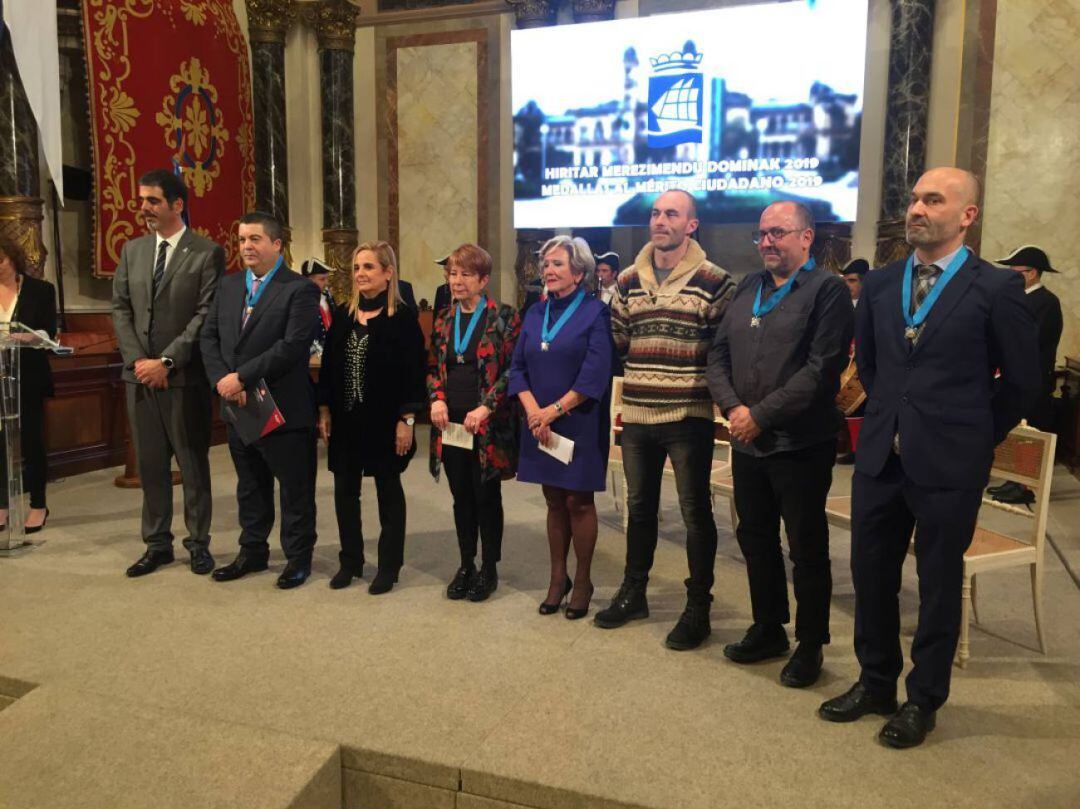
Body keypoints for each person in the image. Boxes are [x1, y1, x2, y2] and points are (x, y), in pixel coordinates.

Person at [818, 168, 1039, 748]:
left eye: (933, 200)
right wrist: (891, 417)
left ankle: (923, 700)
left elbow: (1022, 382)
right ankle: (875, 682)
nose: (916, 208)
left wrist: (973, 432)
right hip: (880, 459)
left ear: (967, 214)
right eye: (914, 199)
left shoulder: (996, 288)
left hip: (949, 462)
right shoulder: (884, 283)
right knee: (871, 576)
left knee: (938, 584)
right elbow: (869, 366)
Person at [707, 202, 854, 687]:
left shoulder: (827, 291)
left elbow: (821, 370)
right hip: (747, 441)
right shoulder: (748, 286)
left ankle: (810, 645)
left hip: (799, 444)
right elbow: (718, 354)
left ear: (807, 237)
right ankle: (768, 627)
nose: (767, 242)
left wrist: (759, 416)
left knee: (806, 548)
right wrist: (733, 410)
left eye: (778, 233)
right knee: (755, 538)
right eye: (762, 234)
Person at [596, 189, 735, 650]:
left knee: (695, 514)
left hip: (687, 413)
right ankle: (634, 591)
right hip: (637, 412)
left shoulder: (716, 281)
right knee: (640, 509)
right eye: (655, 213)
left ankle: (699, 608)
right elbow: (617, 339)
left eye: (671, 213)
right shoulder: (629, 280)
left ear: (691, 224)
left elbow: (723, 352)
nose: (660, 220)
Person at [201, 211, 320, 589]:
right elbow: (209, 338)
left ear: (277, 244)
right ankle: (252, 551)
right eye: (241, 240)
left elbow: (293, 347)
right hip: (238, 405)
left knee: (294, 489)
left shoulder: (300, 288)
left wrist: (242, 376)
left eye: (255, 239)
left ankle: (298, 559)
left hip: (283, 406)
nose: (246, 247)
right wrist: (224, 380)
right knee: (250, 486)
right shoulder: (229, 286)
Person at [112, 169, 223, 577]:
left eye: (153, 201)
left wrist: (167, 361)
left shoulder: (206, 252)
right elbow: (121, 308)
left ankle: (198, 543)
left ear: (177, 204)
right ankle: (157, 544)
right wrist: (140, 361)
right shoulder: (132, 251)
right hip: (139, 378)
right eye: (142, 200)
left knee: (192, 465)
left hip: (183, 379)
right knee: (151, 464)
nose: (144, 208)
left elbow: (204, 314)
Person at [508, 236, 613, 619]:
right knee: (553, 499)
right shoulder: (535, 313)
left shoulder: (595, 312)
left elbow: (595, 374)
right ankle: (558, 578)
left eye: (556, 264)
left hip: (578, 420)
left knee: (578, 501)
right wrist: (534, 411)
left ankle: (583, 580)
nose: (547, 271)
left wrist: (552, 411)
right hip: (539, 423)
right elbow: (516, 367)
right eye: (545, 264)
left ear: (579, 272)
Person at [318, 241, 426, 595]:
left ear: (388, 272)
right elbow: (330, 369)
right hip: (346, 421)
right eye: (357, 268)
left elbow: (413, 373)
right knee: (344, 493)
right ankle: (350, 561)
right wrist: (324, 410)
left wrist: (406, 420)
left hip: (385, 421)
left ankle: (389, 566)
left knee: (387, 492)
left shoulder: (403, 319)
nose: (361, 274)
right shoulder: (344, 315)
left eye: (368, 267)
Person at [428, 244, 521, 601]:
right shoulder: (443, 319)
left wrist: (485, 408)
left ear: (483, 279)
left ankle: (489, 567)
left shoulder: (505, 317)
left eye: (466, 274)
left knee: (486, 496)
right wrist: (436, 398)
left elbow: (514, 371)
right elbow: (433, 366)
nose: (457, 280)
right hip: (451, 424)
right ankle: (466, 563)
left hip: (487, 425)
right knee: (460, 496)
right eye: (453, 273)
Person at [988, 245, 1063, 505]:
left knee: (1032, 433)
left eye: (1016, 272)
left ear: (1032, 273)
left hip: (1035, 379)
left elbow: (1028, 342)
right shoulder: (1020, 297)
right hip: (1016, 378)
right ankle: (1015, 480)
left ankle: (1026, 486)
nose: (1011, 276)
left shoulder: (1046, 301)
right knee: (1019, 433)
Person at [0, 237, 58, 536]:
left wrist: (30, 337)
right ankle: (2, 505)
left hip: (27, 374)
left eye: (0, 260)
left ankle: (38, 503)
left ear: (12, 258)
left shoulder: (41, 290)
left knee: (31, 440)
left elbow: (50, 330)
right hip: (0, 375)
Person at [300, 257, 333, 356]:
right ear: (308, 280)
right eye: (322, 279)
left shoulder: (327, 297)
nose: (327, 283)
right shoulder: (301, 302)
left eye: (327, 278)